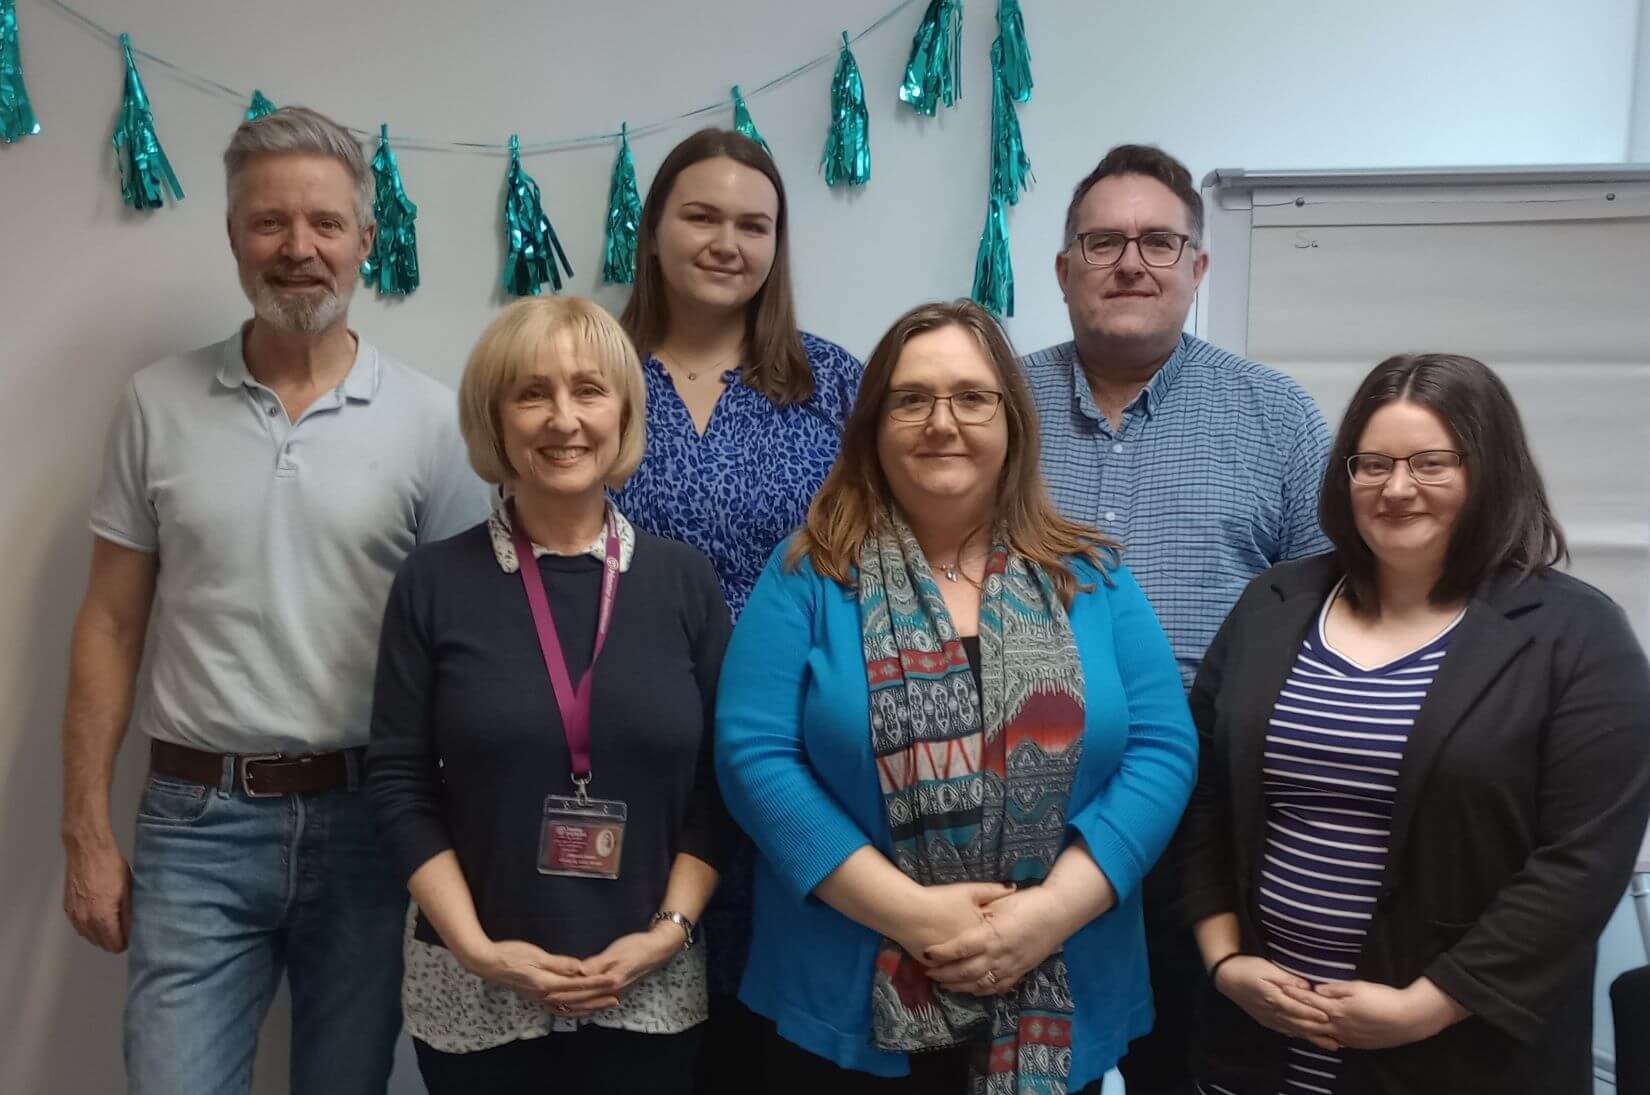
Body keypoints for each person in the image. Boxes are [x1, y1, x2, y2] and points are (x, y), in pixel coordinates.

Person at [58, 106, 488, 1093]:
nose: (298, 250)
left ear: (366, 242)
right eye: (269, 223)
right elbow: (110, 625)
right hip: (195, 822)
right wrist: (85, 830)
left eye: (326, 225)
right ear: (233, 236)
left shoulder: (432, 421)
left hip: (374, 826)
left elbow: (467, 649)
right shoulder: (154, 404)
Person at [716, 299, 1198, 1094]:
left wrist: (1046, 916)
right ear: (874, 424)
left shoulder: (1092, 574)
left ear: (1012, 420)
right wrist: (911, 913)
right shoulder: (809, 572)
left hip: (1061, 970)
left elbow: (1163, 750)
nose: (943, 421)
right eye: (912, 399)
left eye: (972, 397)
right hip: (848, 982)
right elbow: (753, 756)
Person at [1176, 353, 1650, 1094]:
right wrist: (1224, 959)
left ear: (1488, 471)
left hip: (1461, 1054)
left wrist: (1427, 1006)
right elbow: (1202, 796)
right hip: (1258, 1040)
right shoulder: (1274, 603)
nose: (1397, 488)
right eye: (1373, 464)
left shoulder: (1577, 633)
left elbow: (1582, 862)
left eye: (1432, 463)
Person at [1020, 143, 1334, 1092]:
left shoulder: (1277, 417)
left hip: (1215, 820)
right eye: (1104, 240)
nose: (1131, 262)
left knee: (1191, 1064)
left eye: (1160, 242)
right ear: (1064, 268)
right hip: (1022, 809)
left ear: (1198, 267)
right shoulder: (994, 403)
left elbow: (1329, 614)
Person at [366, 296, 733, 1095]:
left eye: (588, 390)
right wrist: (474, 947)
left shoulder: (683, 582)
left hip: (647, 986)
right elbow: (397, 778)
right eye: (531, 393)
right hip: (474, 988)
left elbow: (719, 780)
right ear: (494, 419)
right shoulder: (431, 582)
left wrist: (669, 933)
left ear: (625, 412)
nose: (562, 418)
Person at [609, 126, 864, 1076]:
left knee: (776, 1033)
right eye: (702, 216)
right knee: (644, 1020)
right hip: (635, 752)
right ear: (655, 232)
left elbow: (887, 564)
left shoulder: (835, 383)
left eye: (754, 225)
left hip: (800, 751)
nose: (728, 242)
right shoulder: (594, 374)